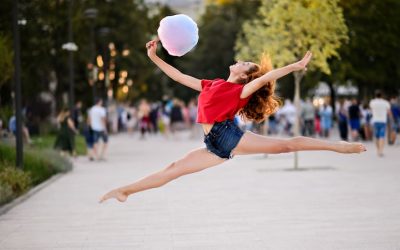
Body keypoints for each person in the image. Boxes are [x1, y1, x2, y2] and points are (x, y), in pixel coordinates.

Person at [99, 40, 366, 203]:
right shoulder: (212, 84)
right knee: (172, 169)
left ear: (243, 76)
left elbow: (264, 79)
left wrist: (293, 67)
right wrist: (154, 57)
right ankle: (125, 192)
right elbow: (179, 76)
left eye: (245, 63)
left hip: (228, 136)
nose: (240, 61)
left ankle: (339, 146)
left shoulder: (240, 90)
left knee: (286, 146)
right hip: (213, 144)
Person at [369, 90, 391, 157]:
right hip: (383, 121)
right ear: (382, 95)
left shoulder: (372, 102)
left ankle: (378, 150)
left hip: (375, 121)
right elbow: (388, 112)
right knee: (382, 136)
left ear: (375, 95)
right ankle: (381, 151)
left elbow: (371, 110)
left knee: (376, 136)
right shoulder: (386, 102)